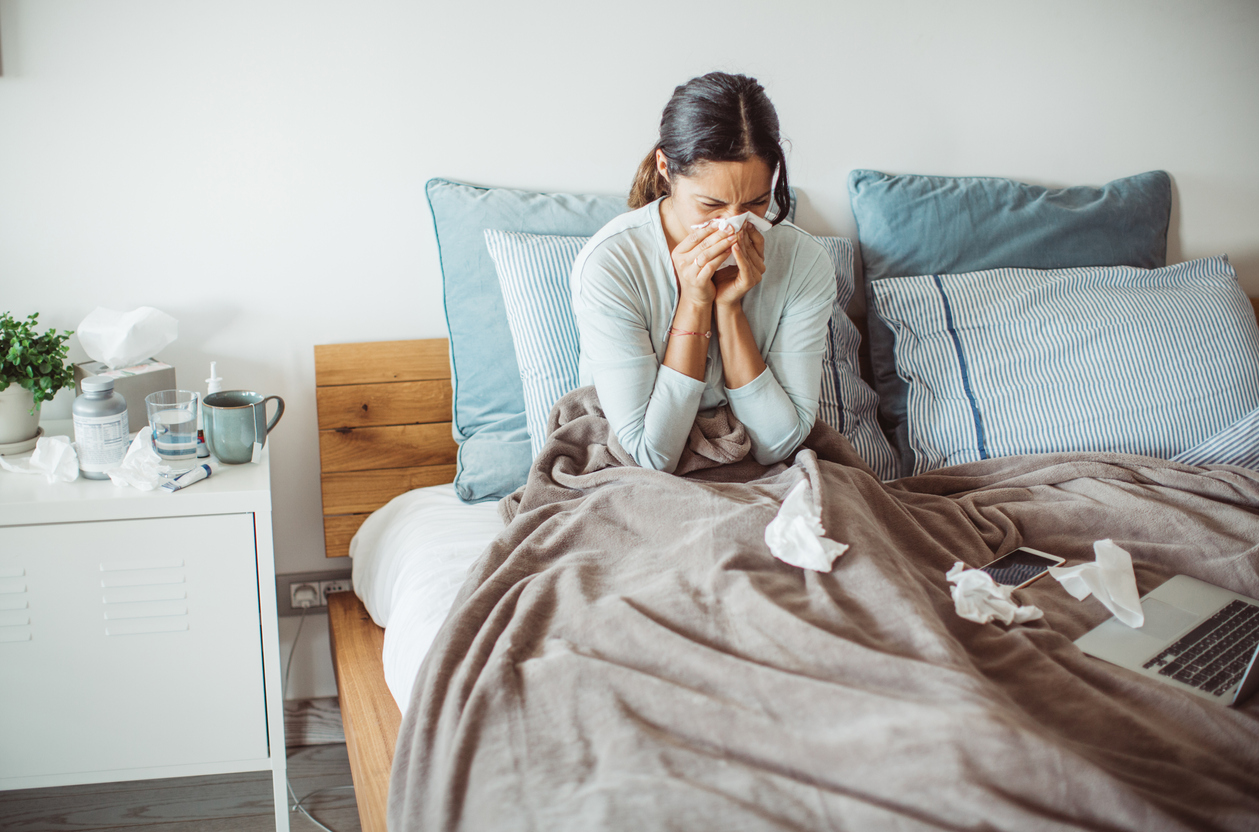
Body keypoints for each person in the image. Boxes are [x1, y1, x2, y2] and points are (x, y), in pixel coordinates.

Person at [570, 71, 835, 473]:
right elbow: (650, 455)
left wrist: (730, 311)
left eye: (757, 202)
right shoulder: (612, 264)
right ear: (664, 166)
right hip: (634, 475)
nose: (735, 224)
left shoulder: (804, 261)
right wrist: (695, 301)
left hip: (760, 471)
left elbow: (779, 444)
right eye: (712, 205)